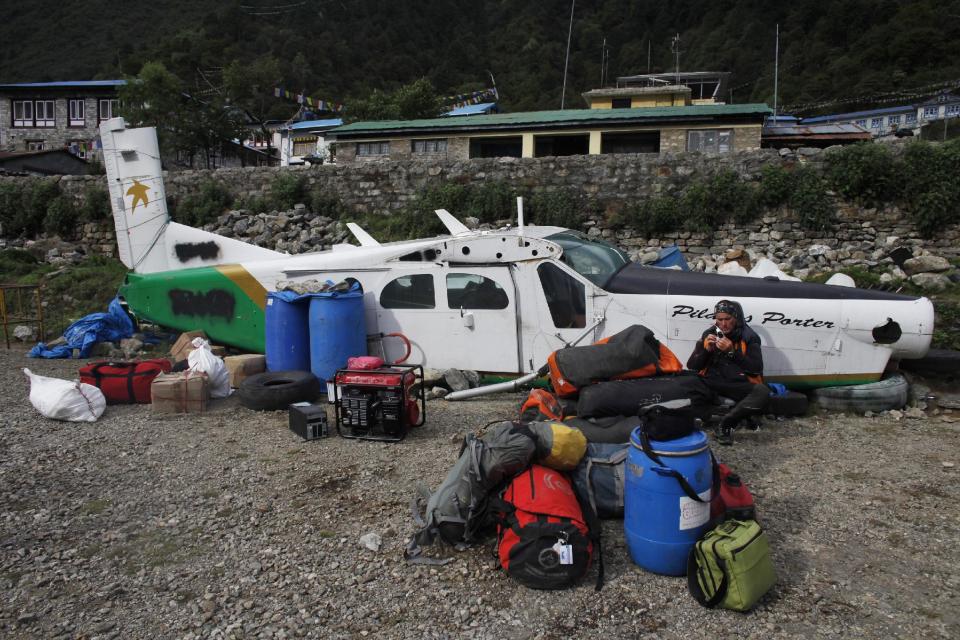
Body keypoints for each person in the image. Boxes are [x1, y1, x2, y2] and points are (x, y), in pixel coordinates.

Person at [686, 299, 769, 445]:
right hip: (711, 382)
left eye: (727, 319)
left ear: (736, 318)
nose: (723, 324)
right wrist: (706, 351)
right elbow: (693, 366)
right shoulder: (709, 334)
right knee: (684, 382)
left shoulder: (749, 337)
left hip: (737, 384)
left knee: (762, 392)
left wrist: (732, 352)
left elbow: (756, 368)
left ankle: (725, 424)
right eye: (719, 319)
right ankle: (734, 414)